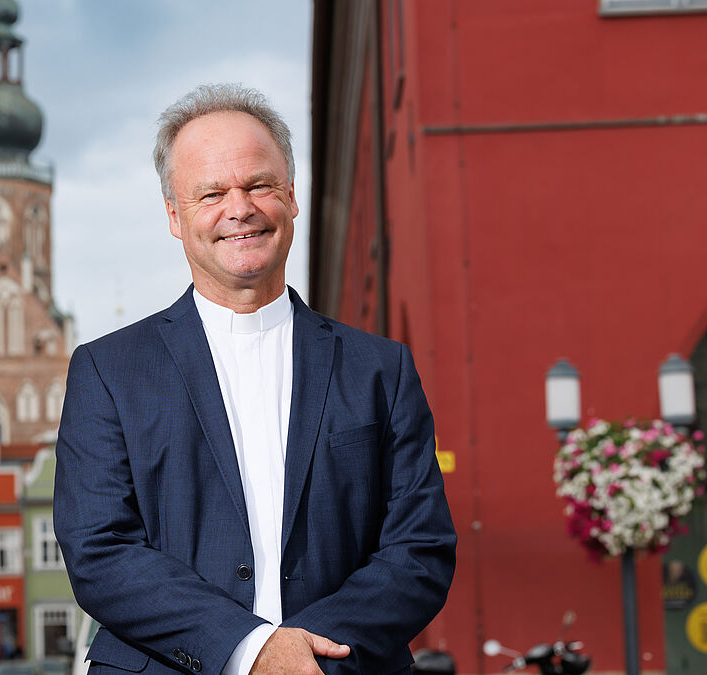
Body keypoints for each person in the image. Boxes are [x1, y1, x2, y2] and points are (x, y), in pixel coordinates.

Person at [52, 84, 457, 675]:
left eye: (258, 185)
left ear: (291, 198)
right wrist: (251, 649)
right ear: (174, 216)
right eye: (211, 193)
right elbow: (100, 550)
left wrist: (308, 654)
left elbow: (419, 549)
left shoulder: (380, 370)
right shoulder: (108, 371)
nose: (238, 208)